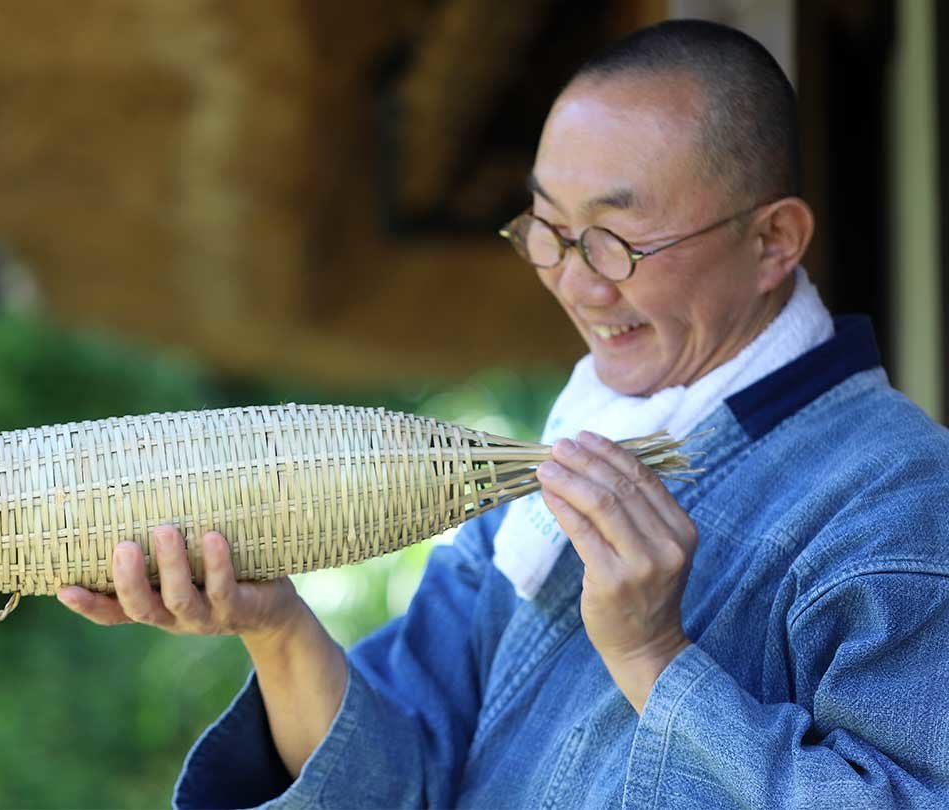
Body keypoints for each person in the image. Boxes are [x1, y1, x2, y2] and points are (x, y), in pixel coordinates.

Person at [58, 19, 949, 809]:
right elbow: (403, 772)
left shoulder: (901, 494)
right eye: (549, 230)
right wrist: (274, 625)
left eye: (618, 240)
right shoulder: (566, 451)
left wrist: (654, 660)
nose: (577, 281)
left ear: (773, 241)